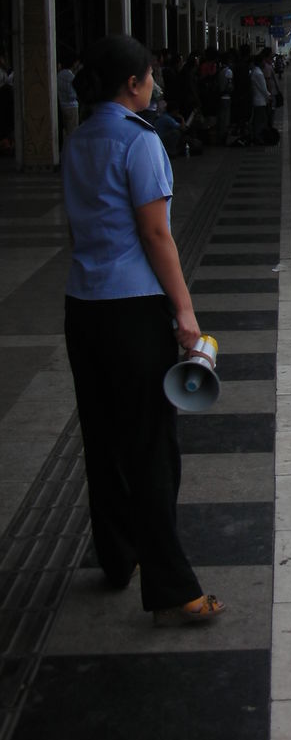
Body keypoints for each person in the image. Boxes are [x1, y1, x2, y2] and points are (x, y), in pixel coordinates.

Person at [61, 35, 225, 626]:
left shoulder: (78, 139)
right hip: (134, 310)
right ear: (134, 83)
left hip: (83, 309)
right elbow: (156, 236)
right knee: (153, 449)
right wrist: (184, 312)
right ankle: (172, 587)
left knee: (103, 440)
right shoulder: (140, 140)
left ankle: (117, 556)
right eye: (151, 77)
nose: (155, 85)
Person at [57, 57, 80, 141]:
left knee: (64, 132)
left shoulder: (58, 75)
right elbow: (73, 95)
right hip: (72, 106)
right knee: (72, 132)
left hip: (61, 105)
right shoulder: (71, 76)